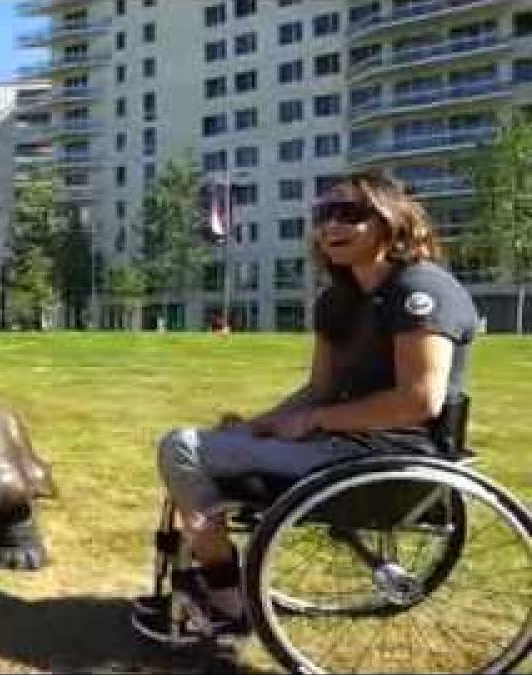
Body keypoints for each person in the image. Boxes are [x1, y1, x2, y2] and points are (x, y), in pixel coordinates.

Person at [133, 171, 480, 644]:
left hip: (381, 460)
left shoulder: (421, 290)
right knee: (212, 444)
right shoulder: (340, 299)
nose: (331, 225)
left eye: (350, 214)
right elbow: (319, 388)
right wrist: (263, 426)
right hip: (341, 445)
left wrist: (314, 421)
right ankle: (212, 563)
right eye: (322, 215)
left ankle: (227, 601)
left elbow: (417, 401)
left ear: (390, 222)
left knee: (182, 448)